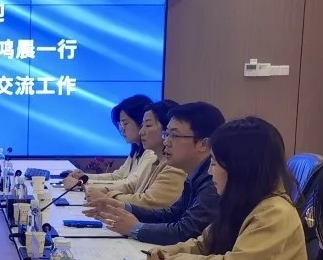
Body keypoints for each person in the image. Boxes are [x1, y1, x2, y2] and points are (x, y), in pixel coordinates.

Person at [142, 117, 309, 260]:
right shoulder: (243, 203)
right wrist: (166, 252)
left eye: (214, 163)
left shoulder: (275, 213)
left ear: (240, 167)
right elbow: (204, 244)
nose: (210, 172)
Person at [92, 101, 224, 245]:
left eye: (174, 136)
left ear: (203, 144)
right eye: (166, 134)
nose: (166, 142)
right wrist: (123, 207)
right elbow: (171, 215)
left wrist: (135, 228)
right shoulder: (194, 174)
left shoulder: (214, 178)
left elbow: (187, 231)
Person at [83, 100, 185, 209]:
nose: (141, 132)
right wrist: (88, 183)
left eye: (148, 125)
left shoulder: (174, 167)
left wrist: (107, 196)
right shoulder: (154, 159)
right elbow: (131, 185)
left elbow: (147, 201)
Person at [65, 94, 155, 190]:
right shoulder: (137, 149)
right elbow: (118, 176)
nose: (122, 129)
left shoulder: (152, 152)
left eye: (125, 123)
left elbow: (130, 185)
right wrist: (84, 177)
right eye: (120, 124)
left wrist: (82, 184)